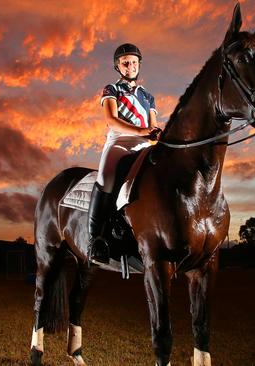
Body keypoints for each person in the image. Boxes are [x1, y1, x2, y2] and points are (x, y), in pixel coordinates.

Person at [88, 43, 161, 264]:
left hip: (143, 144)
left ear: (139, 65)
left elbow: (153, 124)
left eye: (134, 62)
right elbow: (111, 120)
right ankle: (95, 239)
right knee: (107, 176)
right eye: (125, 63)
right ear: (117, 66)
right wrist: (140, 131)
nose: (130, 66)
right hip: (119, 141)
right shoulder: (111, 89)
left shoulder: (148, 96)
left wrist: (156, 133)